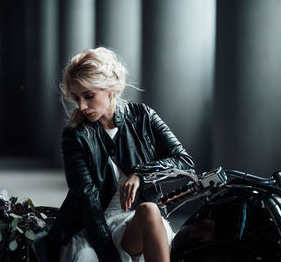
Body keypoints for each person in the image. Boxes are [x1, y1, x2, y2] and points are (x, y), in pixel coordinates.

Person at [48, 47, 195, 262]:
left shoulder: (143, 116)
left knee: (149, 210)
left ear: (110, 89)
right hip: (96, 227)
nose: (82, 106)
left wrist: (141, 174)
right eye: (77, 98)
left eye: (89, 96)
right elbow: (87, 201)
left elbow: (185, 163)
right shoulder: (75, 136)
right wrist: (109, 256)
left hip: (137, 224)